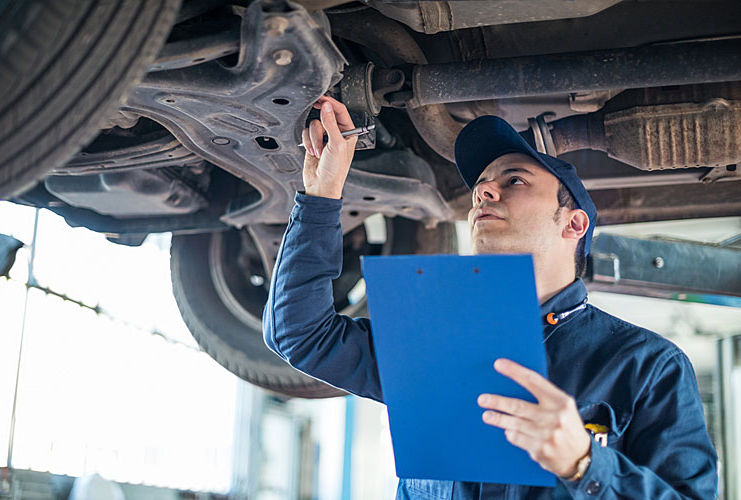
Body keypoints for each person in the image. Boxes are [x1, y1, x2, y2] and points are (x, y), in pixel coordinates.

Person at [263, 96, 718, 499]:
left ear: (573, 223)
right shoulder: (431, 342)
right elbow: (301, 335)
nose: (482, 190)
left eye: (515, 180)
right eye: (480, 183)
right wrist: (320, 195)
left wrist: (584, 463)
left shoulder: (648, 366)